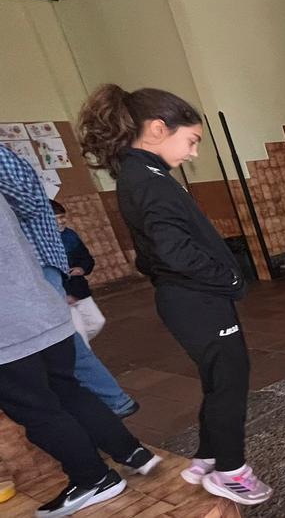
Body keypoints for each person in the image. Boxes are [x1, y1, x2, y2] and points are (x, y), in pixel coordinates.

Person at [77, 84, 272, 506]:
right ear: (157, 129)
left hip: (187, 298)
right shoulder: (147, 179)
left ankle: (208, 455)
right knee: (230, 381)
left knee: (219, 379)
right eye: (191, 141)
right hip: (195, 299)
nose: (193, 153)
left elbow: (157, 251)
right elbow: (173, 250)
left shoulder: (142, 174)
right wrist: (229, 278)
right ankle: (231, 471)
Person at [0, 194, 161, 518]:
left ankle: (94, 479)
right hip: (44, 310)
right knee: (68, 390)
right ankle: (131, 451)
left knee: (38, 411)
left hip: (9, 331)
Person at [0, 145, 137, 418]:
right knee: (60, 343)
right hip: (29, 270)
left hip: (33, 267)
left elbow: (26, 203)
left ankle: (112, 401)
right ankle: (106, 401)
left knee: (62, 344)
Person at [50, 201, 105, 347]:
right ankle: (83, 356)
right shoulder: (42, 241)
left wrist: (81, 268)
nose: (62, 221)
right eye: (57, 218)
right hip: (61, 294)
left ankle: (77, 353)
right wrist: (63, 294)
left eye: (62, 217)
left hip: (78, 289)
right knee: (80, 332)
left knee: (97, 322)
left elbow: (86, 258)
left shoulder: (70, 235)